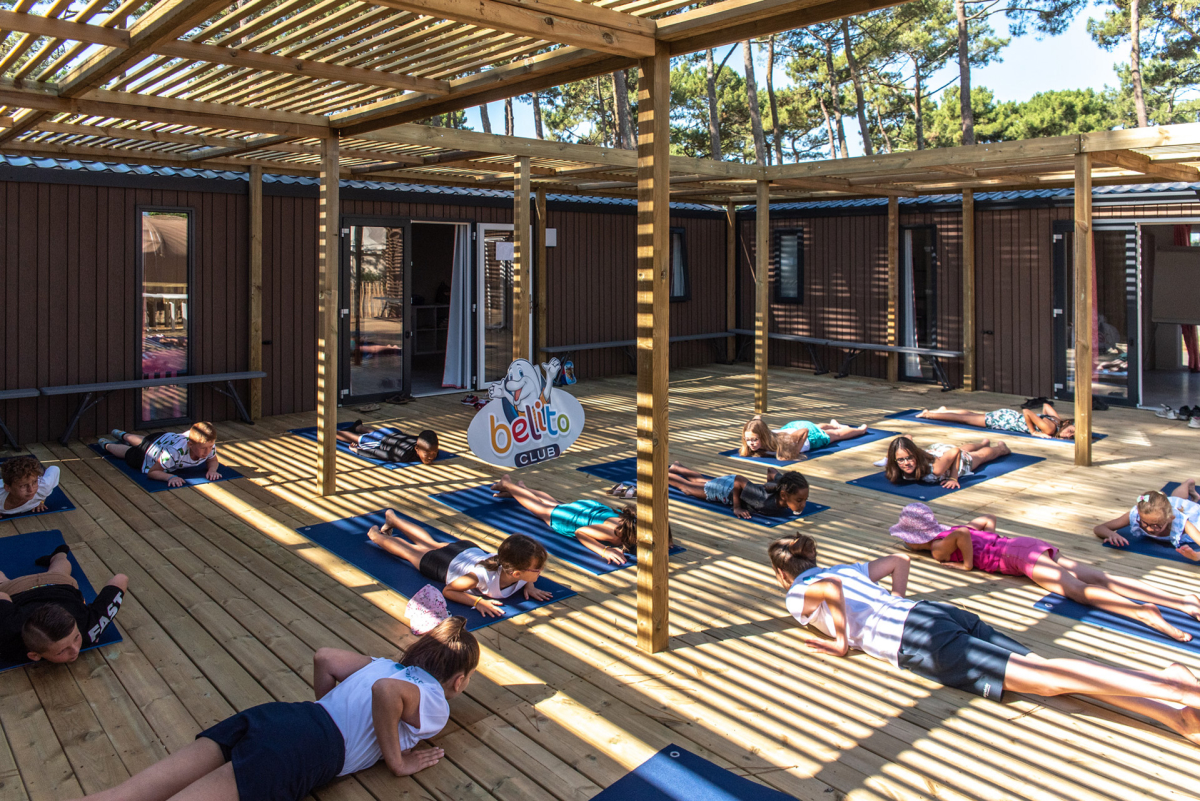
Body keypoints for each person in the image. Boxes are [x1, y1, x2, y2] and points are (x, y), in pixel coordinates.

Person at [768, 533, 1200, 745]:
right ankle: (1172, 714)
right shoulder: (843, 568)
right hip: (931, 614)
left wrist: (843, 642)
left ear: (783, 574)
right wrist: (895, 604)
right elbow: (899, 560)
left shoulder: (796, 593)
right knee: (1048, 675)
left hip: (918, 640)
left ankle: (1170, 684)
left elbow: (829, 595)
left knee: (1047, 679)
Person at [76, 617, 478, 801]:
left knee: (123, 794)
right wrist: (399, 762)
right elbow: (387, 694)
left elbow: (325, 657)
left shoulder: (386, 664)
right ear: (459, 680)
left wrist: (324, 712)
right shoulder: (436, 702)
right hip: (302, 747)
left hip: (279, 716)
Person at [891, 503, 1200, 642]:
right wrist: (990, 544)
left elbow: (963, 537)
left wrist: (968, 564)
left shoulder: (937, 547)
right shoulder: (952, 530)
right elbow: (985, 520)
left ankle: (1143, 612)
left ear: (914, 539)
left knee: (1078, 591)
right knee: (1100, 576)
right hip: (1026, 544)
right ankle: (1181, 600)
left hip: (1018, 558)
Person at [366, 509, 551, 617]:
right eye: (538, 569)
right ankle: (375, 535)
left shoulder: (515, 568)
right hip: (442, 564)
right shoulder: (480, 576)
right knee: (409, 552)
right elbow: (449, 590)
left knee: (430, 543)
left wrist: (530, 585)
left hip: (467, 550)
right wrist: (477, 601)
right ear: (517, 573)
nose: (540, 571)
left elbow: (525, 574)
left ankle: (394, 519)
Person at [491, 474, 670, 565]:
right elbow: (580, 532)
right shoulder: (613, 535)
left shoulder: (632, 522)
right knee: (541, 509)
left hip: (588, 508)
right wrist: (604, 550)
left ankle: (520, 489)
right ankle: (508, 484)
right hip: (569, 519)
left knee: (552, 503)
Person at [0, 544, 126, 664]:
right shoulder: (9, 637)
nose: (75, 650)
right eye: (62, 651)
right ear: (34, 655)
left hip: (53, 584)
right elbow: (121, 578)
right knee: (60, 570)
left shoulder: (88, 628)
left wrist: (97, 627)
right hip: (39, 585)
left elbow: (122, 578)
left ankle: (60, 555)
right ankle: (59, 555)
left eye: (77, 637)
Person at [666, 461, 809, 519]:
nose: (803, 504)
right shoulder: (762, 499)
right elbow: (739, 480)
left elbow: (772, 470)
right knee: (688, 489)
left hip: (730, 484)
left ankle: (677, 467)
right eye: (799, 500)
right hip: (726, 490)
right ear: (784, 495)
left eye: (804, 500)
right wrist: (737, 507)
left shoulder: (782, 488)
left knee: (703, 482)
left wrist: (775, 483)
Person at [98, 422, 220, 487]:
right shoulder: (174, 453)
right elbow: (152, 472)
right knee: (129, 452)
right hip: (148, 454)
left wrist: (212, 470)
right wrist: (170, 477)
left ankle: (123, 434)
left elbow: (213, 460)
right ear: (190, 445)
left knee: (145, 440)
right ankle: (106, 445)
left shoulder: (207, 444)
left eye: (210, 447)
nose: (207, 451)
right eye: (204, 448)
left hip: (161, 439)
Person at [1094, 489, 1200, 561]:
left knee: (1179, 501)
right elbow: (1099, 528)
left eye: (1156, 525)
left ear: (1170, 519)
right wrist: (1110, 534)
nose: (1149, 528)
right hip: (1167, 508)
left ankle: (1187, 485)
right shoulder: (1136, 515)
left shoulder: (1182, 522)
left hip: (1194, 516)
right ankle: (1188, 484)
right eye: (1144, 523)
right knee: (1175, 499)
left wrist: (1196, 556)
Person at [884, 435, 1010, 490]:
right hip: (940, 454)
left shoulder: (936, 469)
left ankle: (1001, 449)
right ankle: (982, 443)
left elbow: (955, 451)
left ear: (916, 455)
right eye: (901, 460)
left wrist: (953, 478)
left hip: (951, 460)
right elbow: (906, 440)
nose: (906, 463)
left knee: (979, 456)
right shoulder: (895, 463)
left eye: (910, 458)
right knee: (964, 449)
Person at [916, 403, 1076, 440]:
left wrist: (1042, 418)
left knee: (972, 415)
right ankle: (929, 415)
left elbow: (1046, 406)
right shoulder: (1049, 429)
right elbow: (1027, 411)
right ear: (1068, 424)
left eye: (1071, 435)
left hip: (1008, 416)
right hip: (1006, 420)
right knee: (965, 419)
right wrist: (1034, 431)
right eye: (1071, 430)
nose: (1069, 434)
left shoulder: (1056, 421)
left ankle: (944, 411)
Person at [738, 416, 869, 461]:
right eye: (748, 440)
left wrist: (795, 452)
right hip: (791, 427)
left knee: (836, 435)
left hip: (807, 437)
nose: (751, 443)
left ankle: (860, 430)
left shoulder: (781, 442)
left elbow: (805, 431)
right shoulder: (756, 436)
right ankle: (833, 424)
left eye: (754, 440)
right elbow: (757, 419)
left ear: (764, 436)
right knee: (817, 426)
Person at [336, 421, 439, 465]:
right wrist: (357, 450)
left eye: (434, 453)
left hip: (392, 434)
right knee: (358, 438)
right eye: (427, 454)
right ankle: (331, 432)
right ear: (417, 448)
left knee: (376, 433)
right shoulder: (402, 455)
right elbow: (378, 453)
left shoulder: (427, 446)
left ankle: (359, 427)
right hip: (380, 441)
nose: (431, 457)